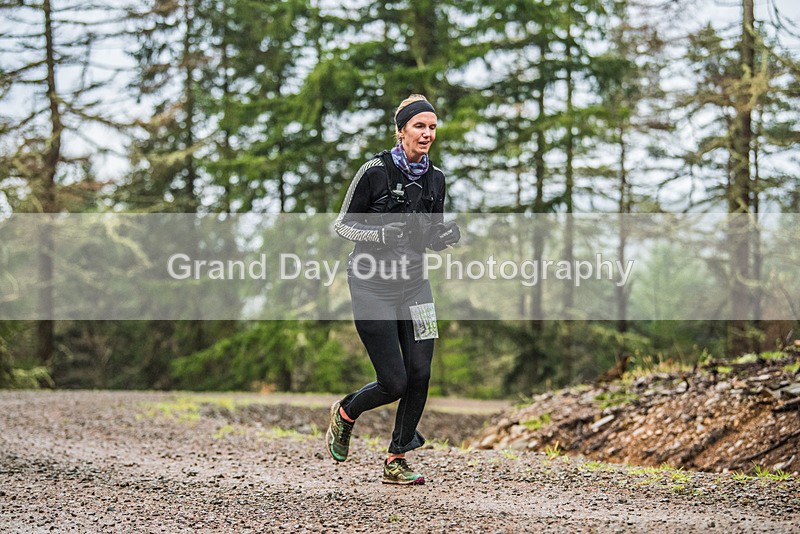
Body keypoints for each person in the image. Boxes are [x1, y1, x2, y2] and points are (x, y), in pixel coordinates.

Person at [327, 94, 460, 485]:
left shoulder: (436, 179)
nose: (427, 133)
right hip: (371, 286)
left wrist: (444, 236)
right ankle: (346, 413)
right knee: (394, 381)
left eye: (432, 127)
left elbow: (429, 234)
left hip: (416, 287)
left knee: (420, 373)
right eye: (419, 126)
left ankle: (396, 458)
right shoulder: (374, 172)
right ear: (401, 130)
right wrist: (379, 233)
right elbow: (342, 226)